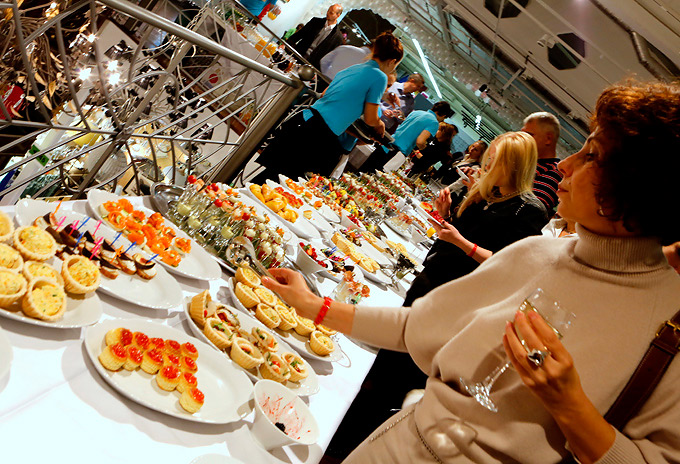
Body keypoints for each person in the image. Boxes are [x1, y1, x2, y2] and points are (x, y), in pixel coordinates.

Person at [263, 81, 680, 463]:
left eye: (591, 155)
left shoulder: (669, 323)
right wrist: (314, 307)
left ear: (640, 183)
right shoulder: (537, 253)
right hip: (393, 448)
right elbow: (417, 326)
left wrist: (570, 407)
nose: (565, 165)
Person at [404, 132, 547, 306]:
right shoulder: (489, 191)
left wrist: (459, 241)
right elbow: (465, 231)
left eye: (496, 160)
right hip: (433, 274)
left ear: (516, 165)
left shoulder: (529, 209)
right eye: (489, 158)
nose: (488, 165)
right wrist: (446, 214)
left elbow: (506, 263)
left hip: (461, 294)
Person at [252, 32, 403, 183]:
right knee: (281, 182)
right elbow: (370, 119)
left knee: (270, 176)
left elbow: (325, 93)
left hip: (305, 119)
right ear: (392, 61)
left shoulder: (356, 68)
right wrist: (380, 124)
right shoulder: (380, 77)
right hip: (318, 133)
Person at [360, 101, 453, 173]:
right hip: (396, 153)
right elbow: (420, 141)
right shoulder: (434, 123)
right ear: (444, 115)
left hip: (386, 144)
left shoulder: (417, 112)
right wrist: (423, 147)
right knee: (374, 179)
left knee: (363, 172)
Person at [521, 111, 563, 216]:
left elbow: (528, 211)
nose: (523, 140)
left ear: (548, 139)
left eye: (529, 135)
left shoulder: (554, 171)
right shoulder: (525, 162)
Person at [286, 4, 344, 69]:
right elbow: (299, 35)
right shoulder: (315, 21)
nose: (327, 13)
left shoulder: (338, 37)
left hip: (311, 67)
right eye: (328, 11)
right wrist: (285, 45)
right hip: (297, 56)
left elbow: (329, 58)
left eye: (331, 13)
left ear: (338, 15)